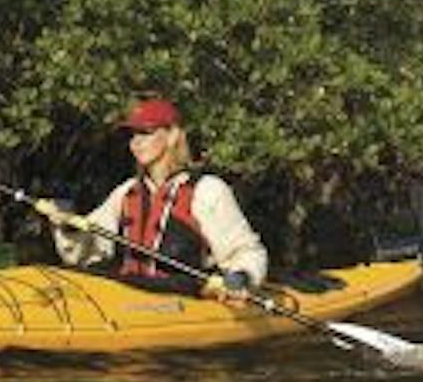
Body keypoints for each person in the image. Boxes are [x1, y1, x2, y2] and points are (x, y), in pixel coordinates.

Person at [34, 97, 269, 298]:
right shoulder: (126, 193)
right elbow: (86, 252)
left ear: (172, 135)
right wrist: (67, 226)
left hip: (179, 298)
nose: (136, 142)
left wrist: (243, 276)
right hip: (127, 293)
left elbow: (249, 252)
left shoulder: (208, 191)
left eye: (146, 133)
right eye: (133, 135)